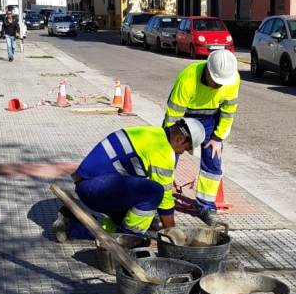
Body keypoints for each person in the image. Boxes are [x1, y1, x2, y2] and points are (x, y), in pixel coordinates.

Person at [52, 117, 205, 242]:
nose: (183, 153)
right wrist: (173, 235)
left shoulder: (152, 133)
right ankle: (130, 240)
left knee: (127, 219)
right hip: (94, 188)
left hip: (90, 183)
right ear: (180, 139)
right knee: (154, 192)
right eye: (186, 149)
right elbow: (164, 198)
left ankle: (73, 225)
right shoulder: (163, 151)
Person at [164, 49, 240, 221]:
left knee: (213, 161)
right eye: (215, 80)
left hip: (210, 120)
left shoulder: (232, 78)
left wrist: (218, 138)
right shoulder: (188, 76)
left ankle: (206, 206)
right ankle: (160, 202)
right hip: (184, 119)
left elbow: (228, 112)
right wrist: (171, 140)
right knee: (167, 160)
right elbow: (174, 113)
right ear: (207, 69)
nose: (219, 85)